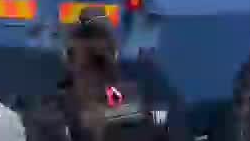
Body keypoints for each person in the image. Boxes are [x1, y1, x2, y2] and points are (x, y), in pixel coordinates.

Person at [23, 8, 163, 141]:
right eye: (88, 58)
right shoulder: (50, 118)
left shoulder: (131, 110)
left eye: (99, 59)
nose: (94, 70)